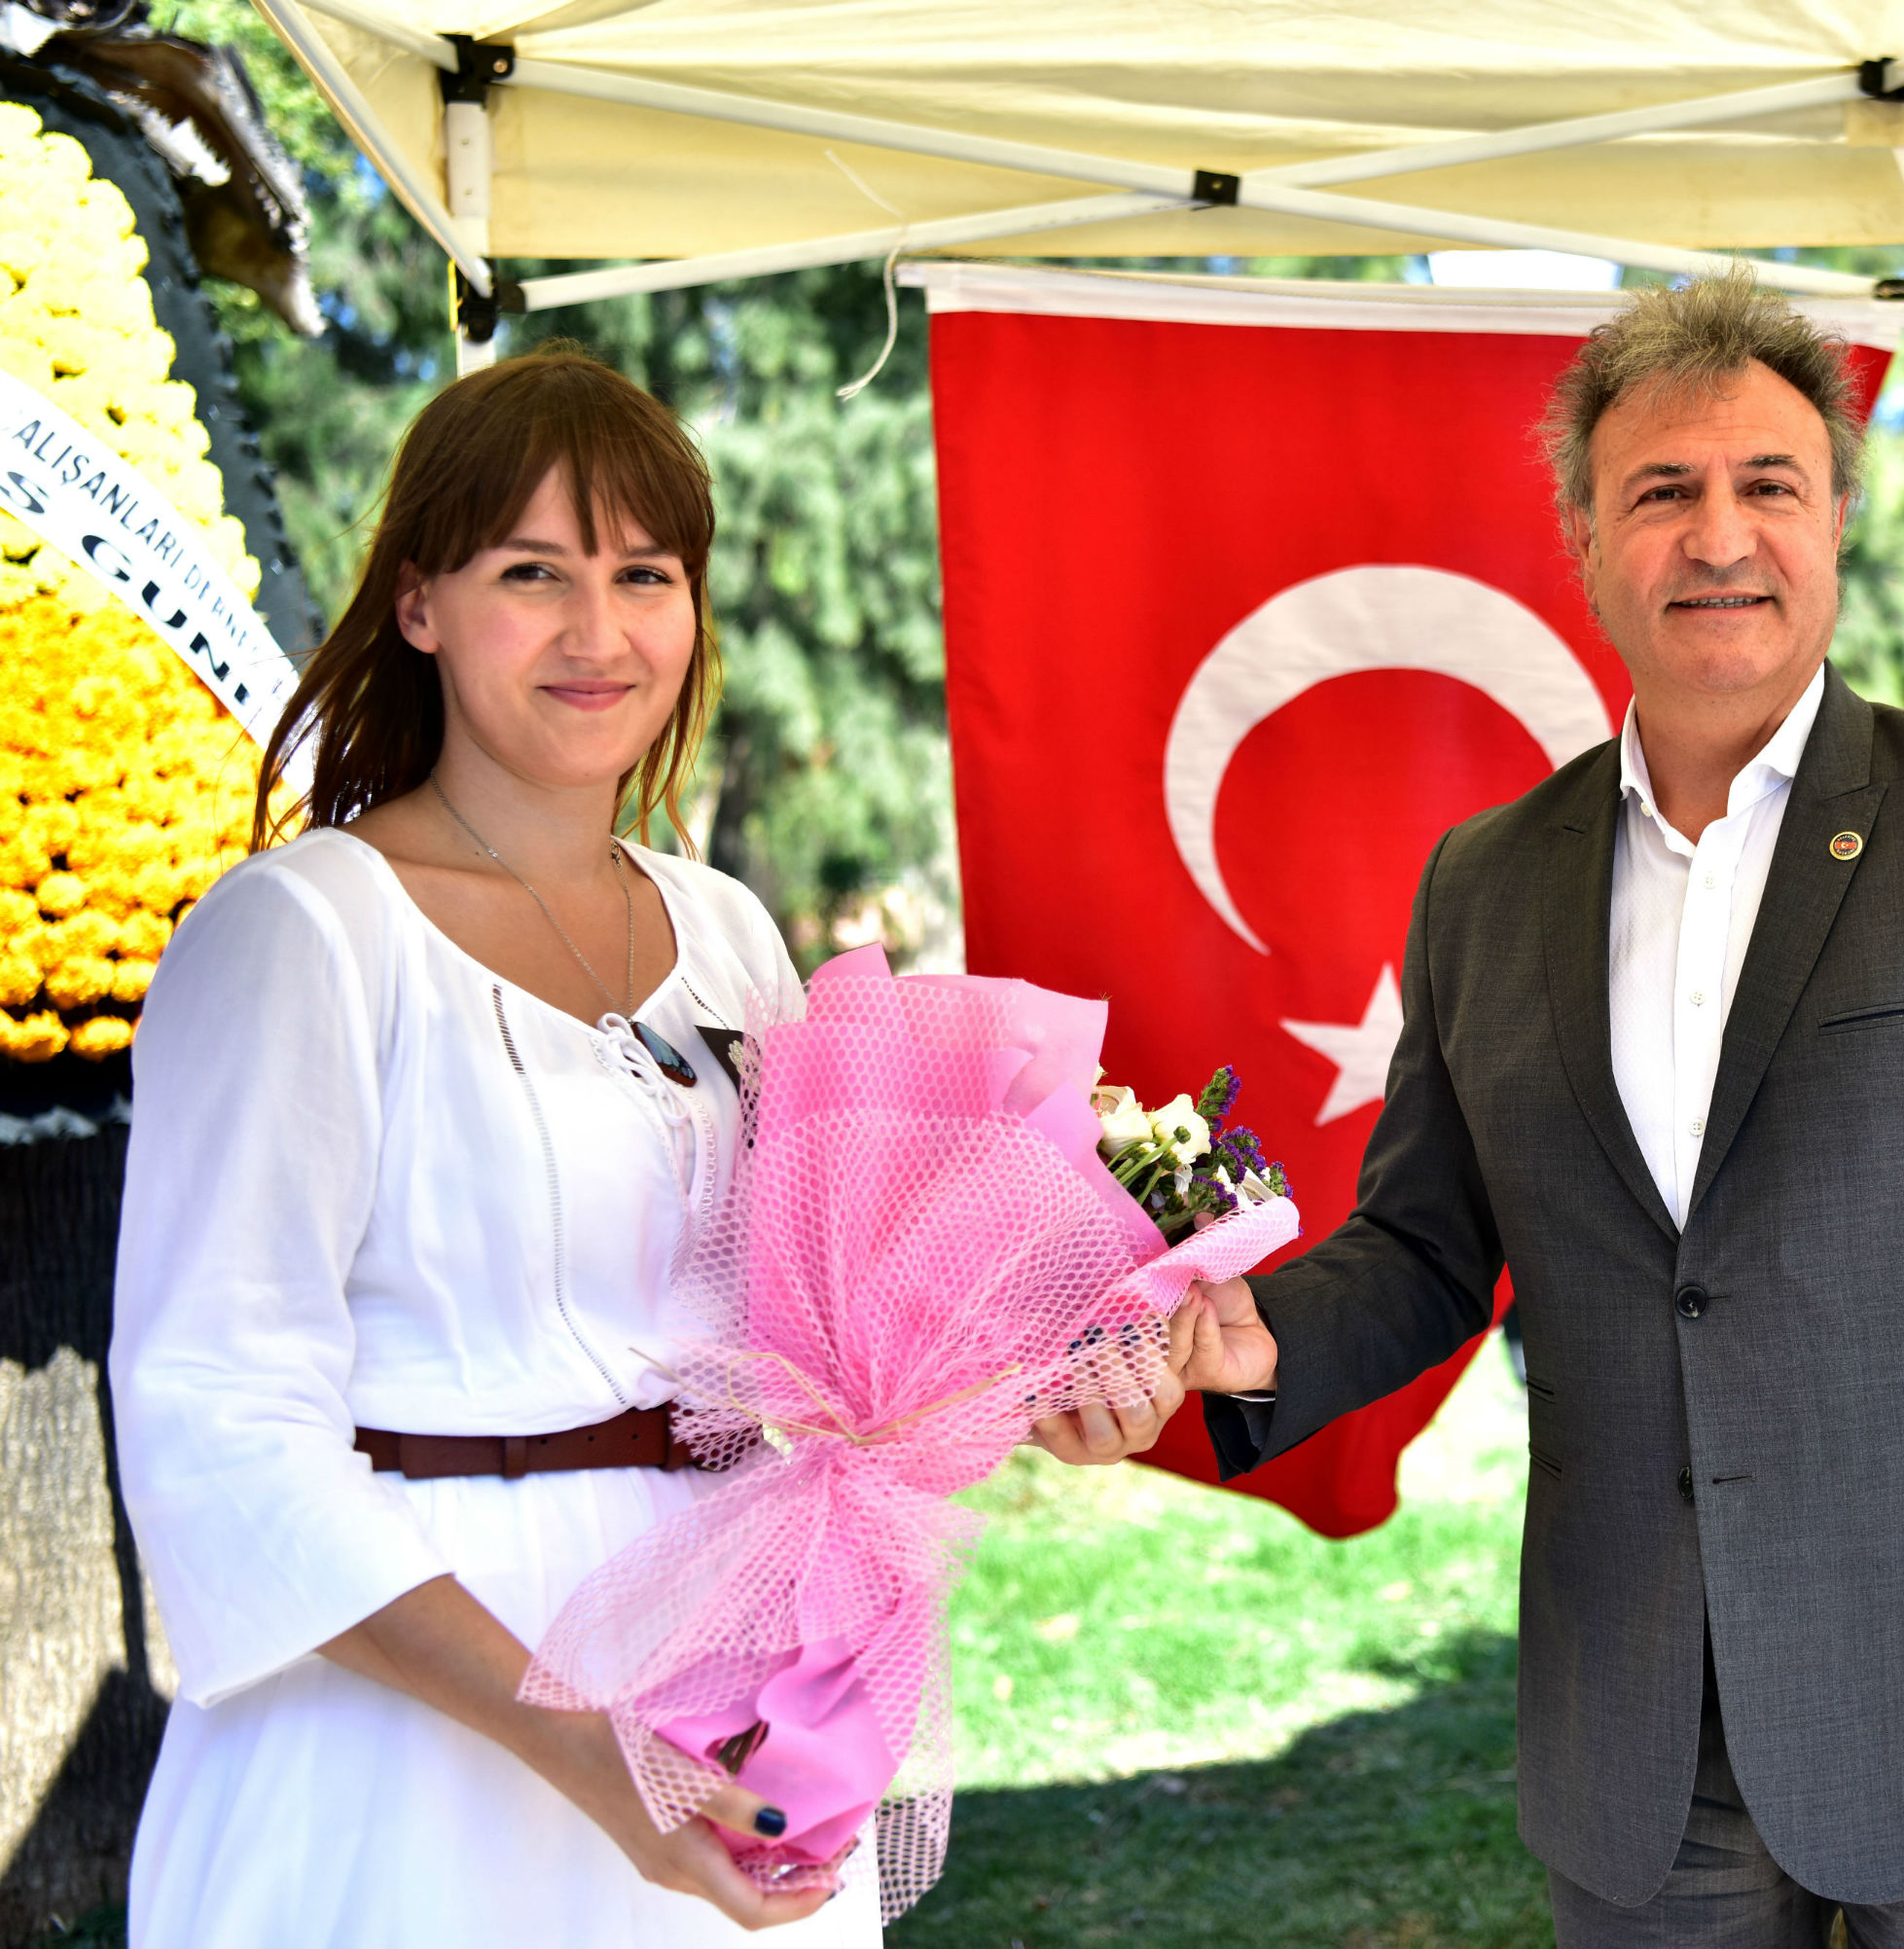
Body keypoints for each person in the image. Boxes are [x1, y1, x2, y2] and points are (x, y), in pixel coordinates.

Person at [1162, 273, 1904, 1947]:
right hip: (1639, 1737)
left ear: (1836, 522)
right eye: (1663, 490)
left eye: (1769, 484)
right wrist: (1257, 1337)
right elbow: (1429, 1244)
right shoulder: (1483, 882)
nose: (1719, 535)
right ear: (1585, 538)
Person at [109, 346, 1176, 1947]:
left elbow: (816, 1339)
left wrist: (1035, 1385)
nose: (598, 634)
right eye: (531, 573)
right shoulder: (303, 933)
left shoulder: (726, 929)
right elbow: (221, 1422)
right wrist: (597, 1760)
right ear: (419, 603)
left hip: (732, 1676)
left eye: (644, 576)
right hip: (418, 1730)